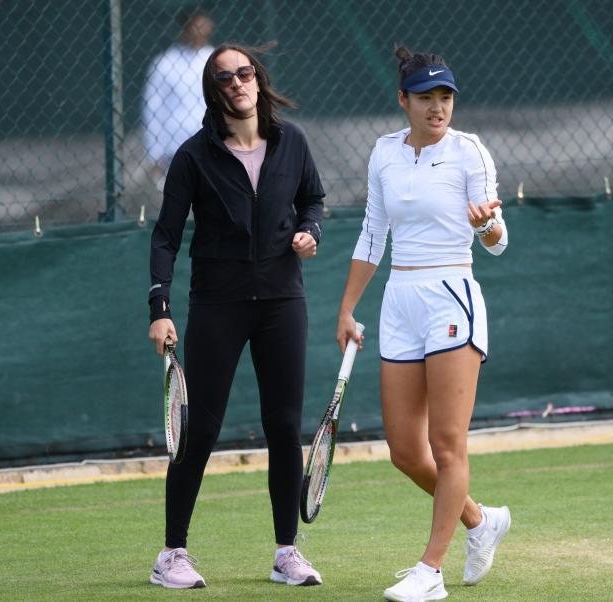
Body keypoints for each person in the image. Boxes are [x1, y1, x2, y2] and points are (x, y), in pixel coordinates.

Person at [336, 45, 512, 601]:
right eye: (426, 98)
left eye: (445, 97)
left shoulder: (470, 153)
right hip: (399, 301)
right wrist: (346, 308)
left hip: (451, 297)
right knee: (407, 453)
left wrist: (486, 229)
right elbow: (372, 234)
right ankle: (481, 522)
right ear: (403, 101)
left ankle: (430, 570)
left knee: (447, 441)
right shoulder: (384, 153)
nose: (438, 108)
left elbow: (499, 242)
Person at [147, 43, 325, 590]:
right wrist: (160, 308)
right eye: (224, 78)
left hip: (281, 302)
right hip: (218, 304)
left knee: (283, 426)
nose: (237, 83)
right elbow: (166, 237)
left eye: (244, 72)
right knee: (198, 427)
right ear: (214, 91)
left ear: (258, 78)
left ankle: (286, 553)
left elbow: (314, 201)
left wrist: (309, 233)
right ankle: (172, 554)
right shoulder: (193, 156)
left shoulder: (291, 142)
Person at [142, 7, 215, 186]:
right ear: (186, 28)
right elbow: (152, 109)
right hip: (174, 149)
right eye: (197, 25)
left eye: (204, 25)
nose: (202, 30)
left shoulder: (216, 59)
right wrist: (154, 152)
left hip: (212, 144)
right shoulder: (165, 63)